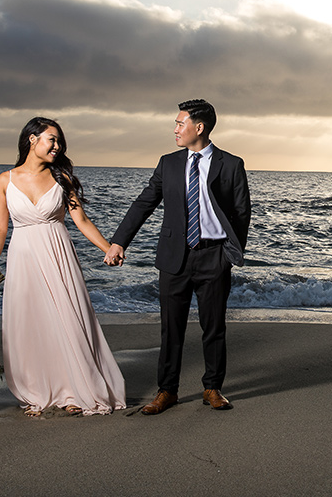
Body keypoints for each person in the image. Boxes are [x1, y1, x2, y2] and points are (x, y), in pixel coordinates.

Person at [104, 99, 251, 415]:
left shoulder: (231, 164)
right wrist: (119, 242)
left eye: (180, 123)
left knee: (214, 327)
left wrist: (230, 252)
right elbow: (144, 203)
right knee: (171, 328)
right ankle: (167, 391)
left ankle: (212, 387)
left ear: (199, 127)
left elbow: (241, 212)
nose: (175, 129)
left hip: (214, 256)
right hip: (175, 257)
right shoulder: (168, 163)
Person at [0, 117, 126, 416]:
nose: (57, 147)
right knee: (30, 323)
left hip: (58, 254)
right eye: (52, 140)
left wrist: (108, 247)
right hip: (23, 258)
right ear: (32, 140)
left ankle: (73, 391)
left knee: (66, 318)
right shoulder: (5, 180)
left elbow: (81, 221)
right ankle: (37, 391)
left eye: (60, 142)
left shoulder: (62, 179)